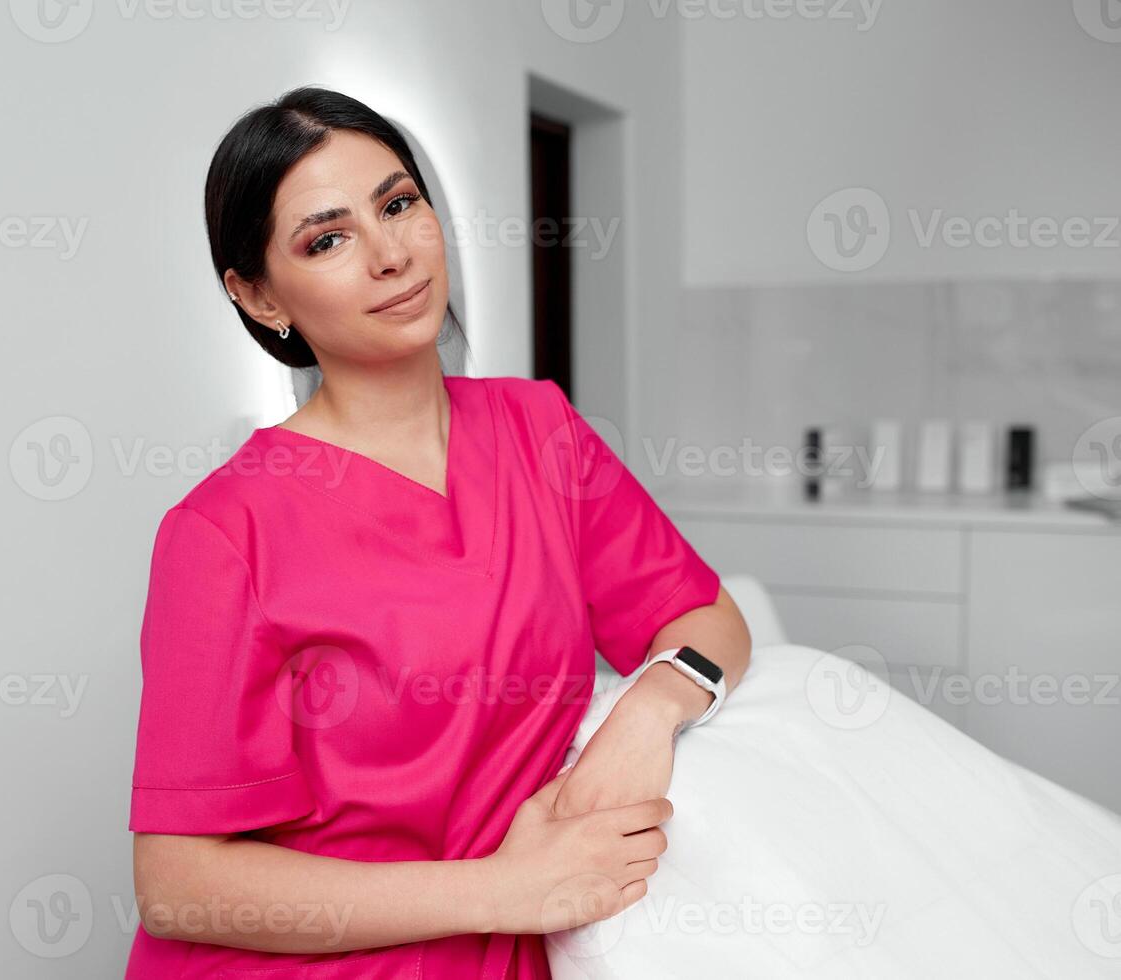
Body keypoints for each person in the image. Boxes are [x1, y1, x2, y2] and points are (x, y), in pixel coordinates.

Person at [124, 85, 753, 979]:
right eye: (328, 238)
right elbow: (178, 883)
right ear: (260, 297)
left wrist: (650, 711)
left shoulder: (540, 434)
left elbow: (707, 622)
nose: (391, 255)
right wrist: (508, 889)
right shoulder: (223, 532)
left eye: (398, 203)